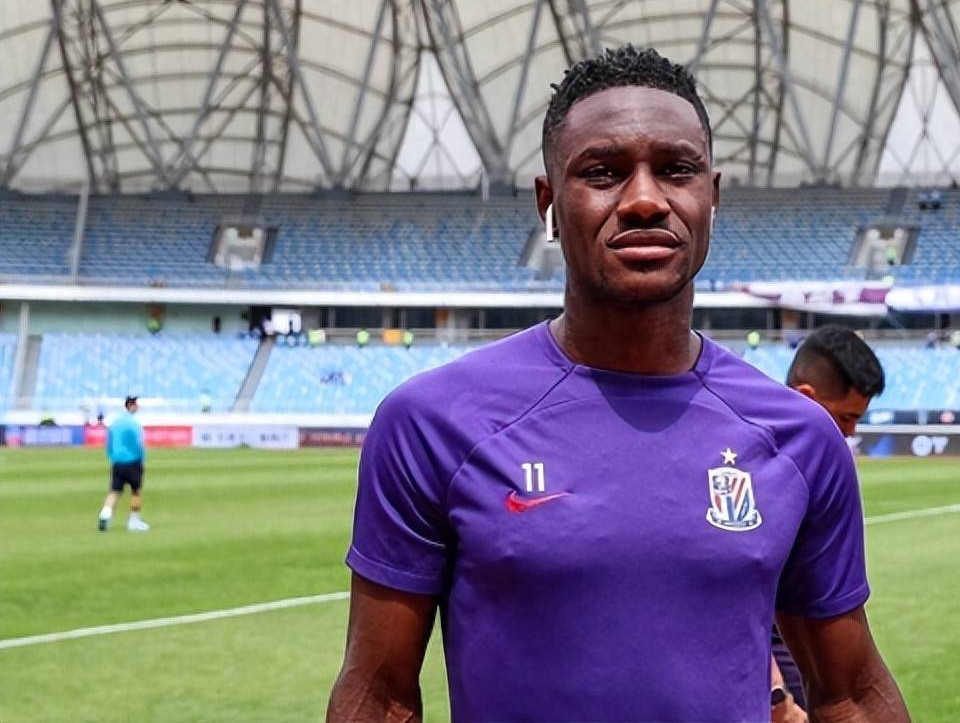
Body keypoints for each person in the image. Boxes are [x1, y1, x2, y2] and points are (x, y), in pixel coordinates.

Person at [327, 46, 909, 723]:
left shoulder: (801, 439)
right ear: (548, 203)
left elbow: (850, 693)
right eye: (602, 172)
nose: (643, 200)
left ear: (712, 196)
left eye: (677, 170)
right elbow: (379, 695)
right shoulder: (431, 423)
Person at [770, 325, 886, 716]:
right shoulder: (744, 464)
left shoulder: (826, 467)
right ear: (805, 398)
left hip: (812, 666)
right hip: (771, 674)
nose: (851, 433)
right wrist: (775, 696)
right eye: (845, 417)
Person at [97, 396, 149, 532]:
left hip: (118, 461)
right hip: (133, 461)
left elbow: (109, 442)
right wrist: (142, 458)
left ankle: (105, 514)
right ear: (131, 406)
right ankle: (134, 521)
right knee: (136, 491)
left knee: (114, 491)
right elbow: (138, 443)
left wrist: (112, 456)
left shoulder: (115, 423)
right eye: (136, 405)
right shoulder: (134, 423)